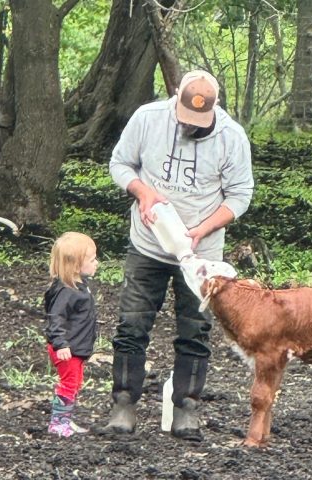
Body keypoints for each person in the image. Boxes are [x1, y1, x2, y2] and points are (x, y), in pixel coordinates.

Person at [103, 70, 254, 441]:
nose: (192, 128)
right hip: (148, 243)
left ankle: (187, 407)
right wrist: (142, 192)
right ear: (176, 99)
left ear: (216, 106)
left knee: (195, 329)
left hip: (201, 255)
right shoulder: (148, 118)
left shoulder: (232, 138)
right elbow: (120, 163)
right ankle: (123, 402)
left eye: (199, 124)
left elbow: (240, 194)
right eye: (186, 121)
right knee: (132, 324)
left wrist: (204, 228)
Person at [45, 232, 99, 437]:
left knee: (74, 383)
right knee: (69, 383)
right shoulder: (67, 291)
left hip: (75, 347)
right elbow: (55, 318)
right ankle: (58, 423)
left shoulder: (79, 286)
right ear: (76, 266)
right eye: (92, 259)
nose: (97, 263)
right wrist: (61, 344)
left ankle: (64, 420)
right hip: (67, 348)